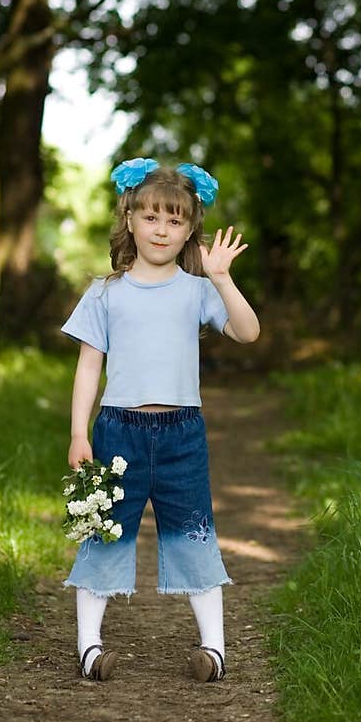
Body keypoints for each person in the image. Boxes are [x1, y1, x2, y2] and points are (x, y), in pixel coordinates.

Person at [61, 156, 260, 685]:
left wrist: (222, 279)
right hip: (117, 431)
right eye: (151, 217)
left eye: (174, 220)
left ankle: (213, 650)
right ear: (129, 218)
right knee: (104, 534)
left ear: (191, 229)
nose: (161, 229)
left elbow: (248, 332)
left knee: (194, 533)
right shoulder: (105, 293)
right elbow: (88, 368)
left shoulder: (197, 291)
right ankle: (90, 647)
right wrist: (80, 432)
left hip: (181, 435)